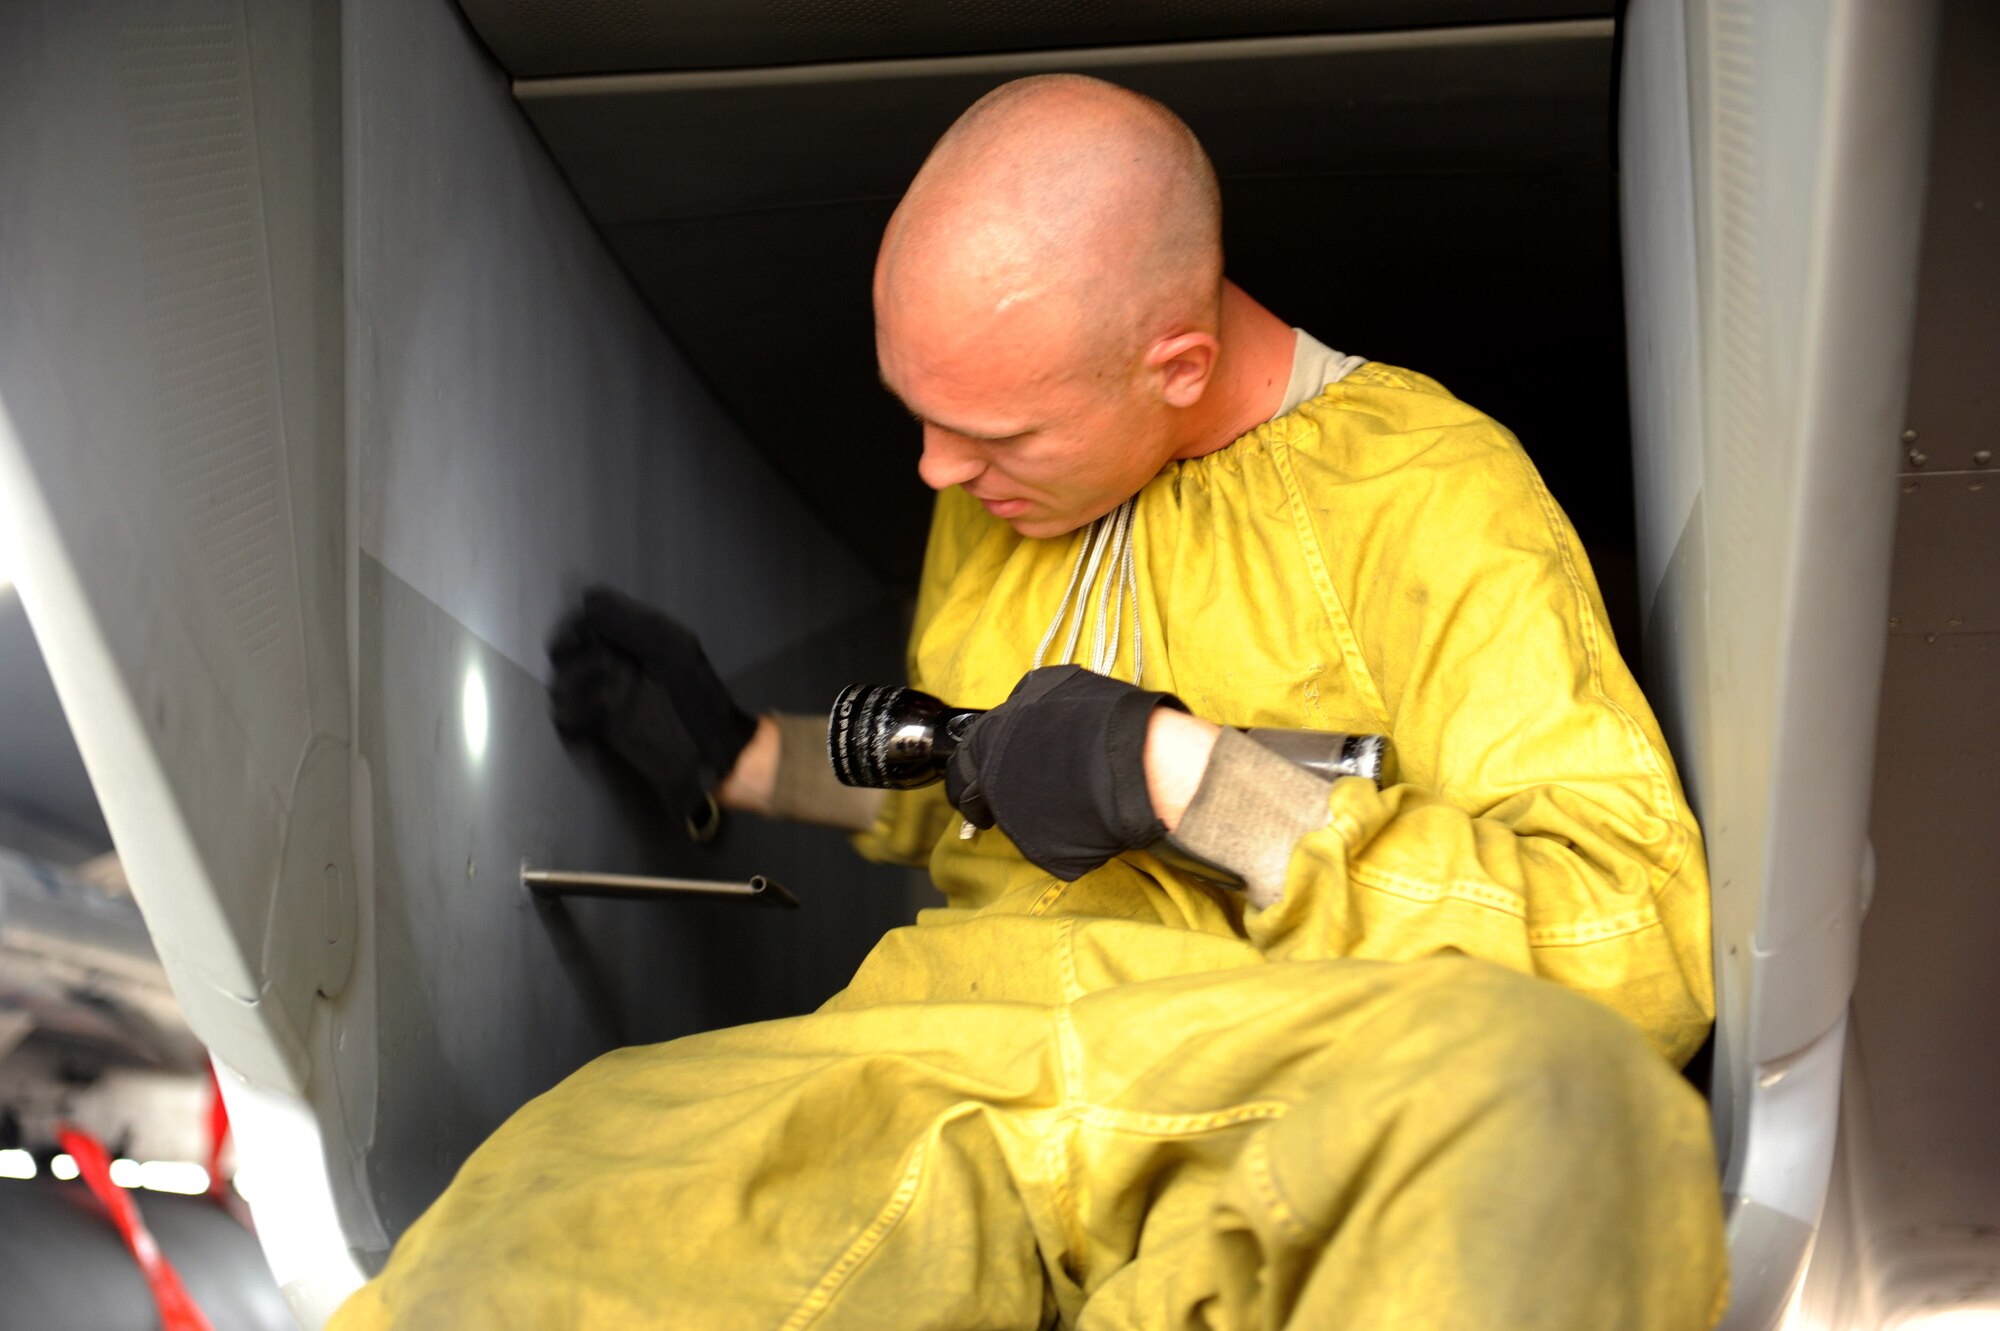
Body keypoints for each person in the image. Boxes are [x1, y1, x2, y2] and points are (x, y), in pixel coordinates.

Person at [331, 75, 1725, 1330]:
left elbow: (1637, 947)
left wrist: (1188, 781)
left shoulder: (1425, 489)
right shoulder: (1003, 493)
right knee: (573, 1180)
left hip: (1257, 1076)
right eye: (921, 416)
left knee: (1559, 1107)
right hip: (936, 1063)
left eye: (994, 433)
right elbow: (969, 778)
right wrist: (743, 756)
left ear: (1176, 365)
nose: (936, 473)